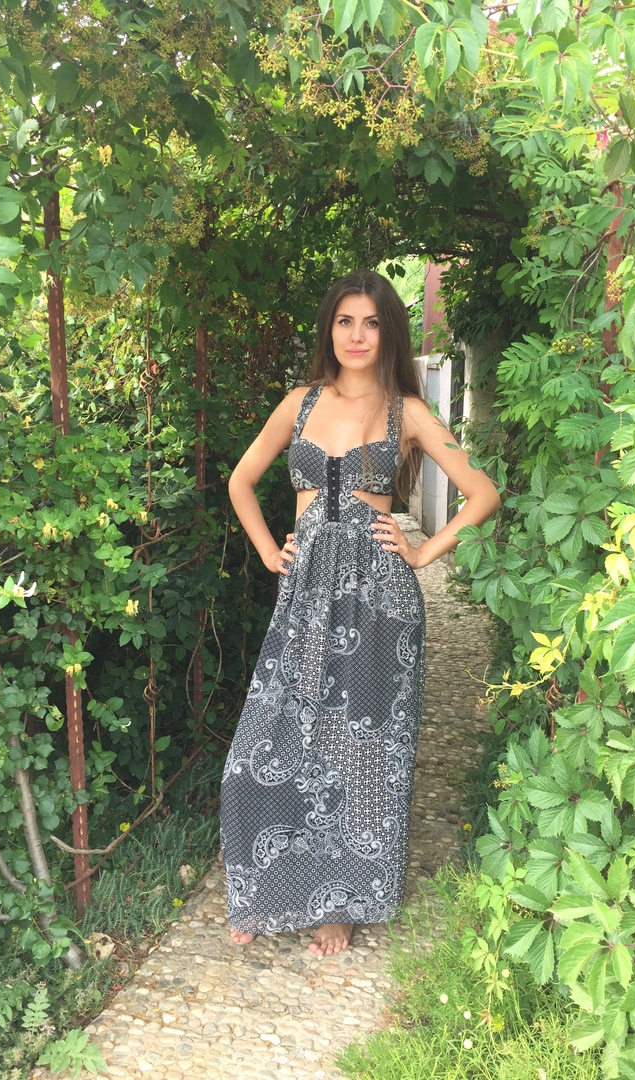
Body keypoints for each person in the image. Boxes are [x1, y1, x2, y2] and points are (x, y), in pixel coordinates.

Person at [221, 270, 500, 956]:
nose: (356, 335)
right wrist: (269, 552)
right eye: (345, 321)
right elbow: (241, 480)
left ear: (388, 333)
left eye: (371, 323)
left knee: (362, 756)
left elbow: (483, 493)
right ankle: (261, 889)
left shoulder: (409, 413)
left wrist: (422, 551)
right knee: (263, 746)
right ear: (330, 329)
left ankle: (340, 905)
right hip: (305, 597)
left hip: (381, 605)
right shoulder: (300, 404)